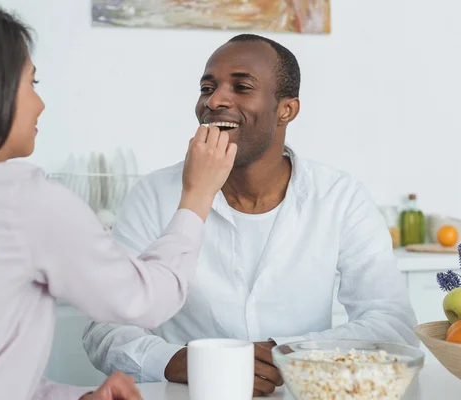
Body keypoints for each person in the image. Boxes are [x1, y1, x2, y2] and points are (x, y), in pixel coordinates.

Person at [0, 1, 237, 399]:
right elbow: (145, 300)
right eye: (32, 83)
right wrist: (198, 194)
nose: (40, 103)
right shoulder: (26, 203)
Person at [83, 34, 419, 396]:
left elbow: (392, 324)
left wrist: (285, 355)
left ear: (286, 110)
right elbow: (104, 324)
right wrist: (176, 360)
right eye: (207, 87)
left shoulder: (340, 197)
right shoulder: (154, 194)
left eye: (241, 87)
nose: (215, 100)